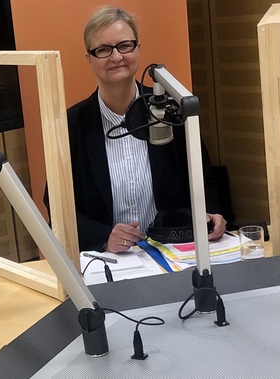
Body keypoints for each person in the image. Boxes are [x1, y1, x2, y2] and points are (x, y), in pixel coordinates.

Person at [56, 6, 226, 254]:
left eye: (125, 45)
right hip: (110, 259)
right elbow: (58, 207)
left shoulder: (172, 108)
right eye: (103, 49)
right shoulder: (72, 124)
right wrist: (103, 237)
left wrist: (211, 214)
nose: (116, 57)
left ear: (138, 48)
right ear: (89, 59)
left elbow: (204, 177)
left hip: (173, 250)